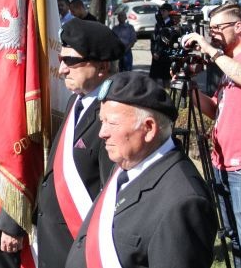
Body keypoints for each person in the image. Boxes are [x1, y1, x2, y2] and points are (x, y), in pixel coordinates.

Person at [64, 72, 217, 268]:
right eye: (102, 121)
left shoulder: (183, 202)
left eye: (112, 123)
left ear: (149, 128)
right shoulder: (127, 165)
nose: (102, 133)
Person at [181, 3, 241, 268]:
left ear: (238, 27)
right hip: (222, 162)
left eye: (218, 28)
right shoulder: (229, 65)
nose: (213, 35)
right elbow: (215, 109)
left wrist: (212, 52)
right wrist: (188, 85)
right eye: (210, 29)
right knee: (235, 240)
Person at [34, 18, 123, 268]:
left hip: (80, 242)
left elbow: (111, 192)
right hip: (55, 237)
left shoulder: (113, 115)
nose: (62, 69)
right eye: (62, 60)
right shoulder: (78, 101)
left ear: (102, 67)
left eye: (71, 62)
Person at [149, 3, 173, 87]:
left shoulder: (172, 24)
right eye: (160, 10)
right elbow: (154, 39)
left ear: (169, 12)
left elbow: (167, 41)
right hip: (156, 55)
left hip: (165, 55)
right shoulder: (158, 23)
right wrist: (153, 52)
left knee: (166, 79)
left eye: (164, 11)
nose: (161, 12)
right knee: (153, 78)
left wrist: (159, 53)